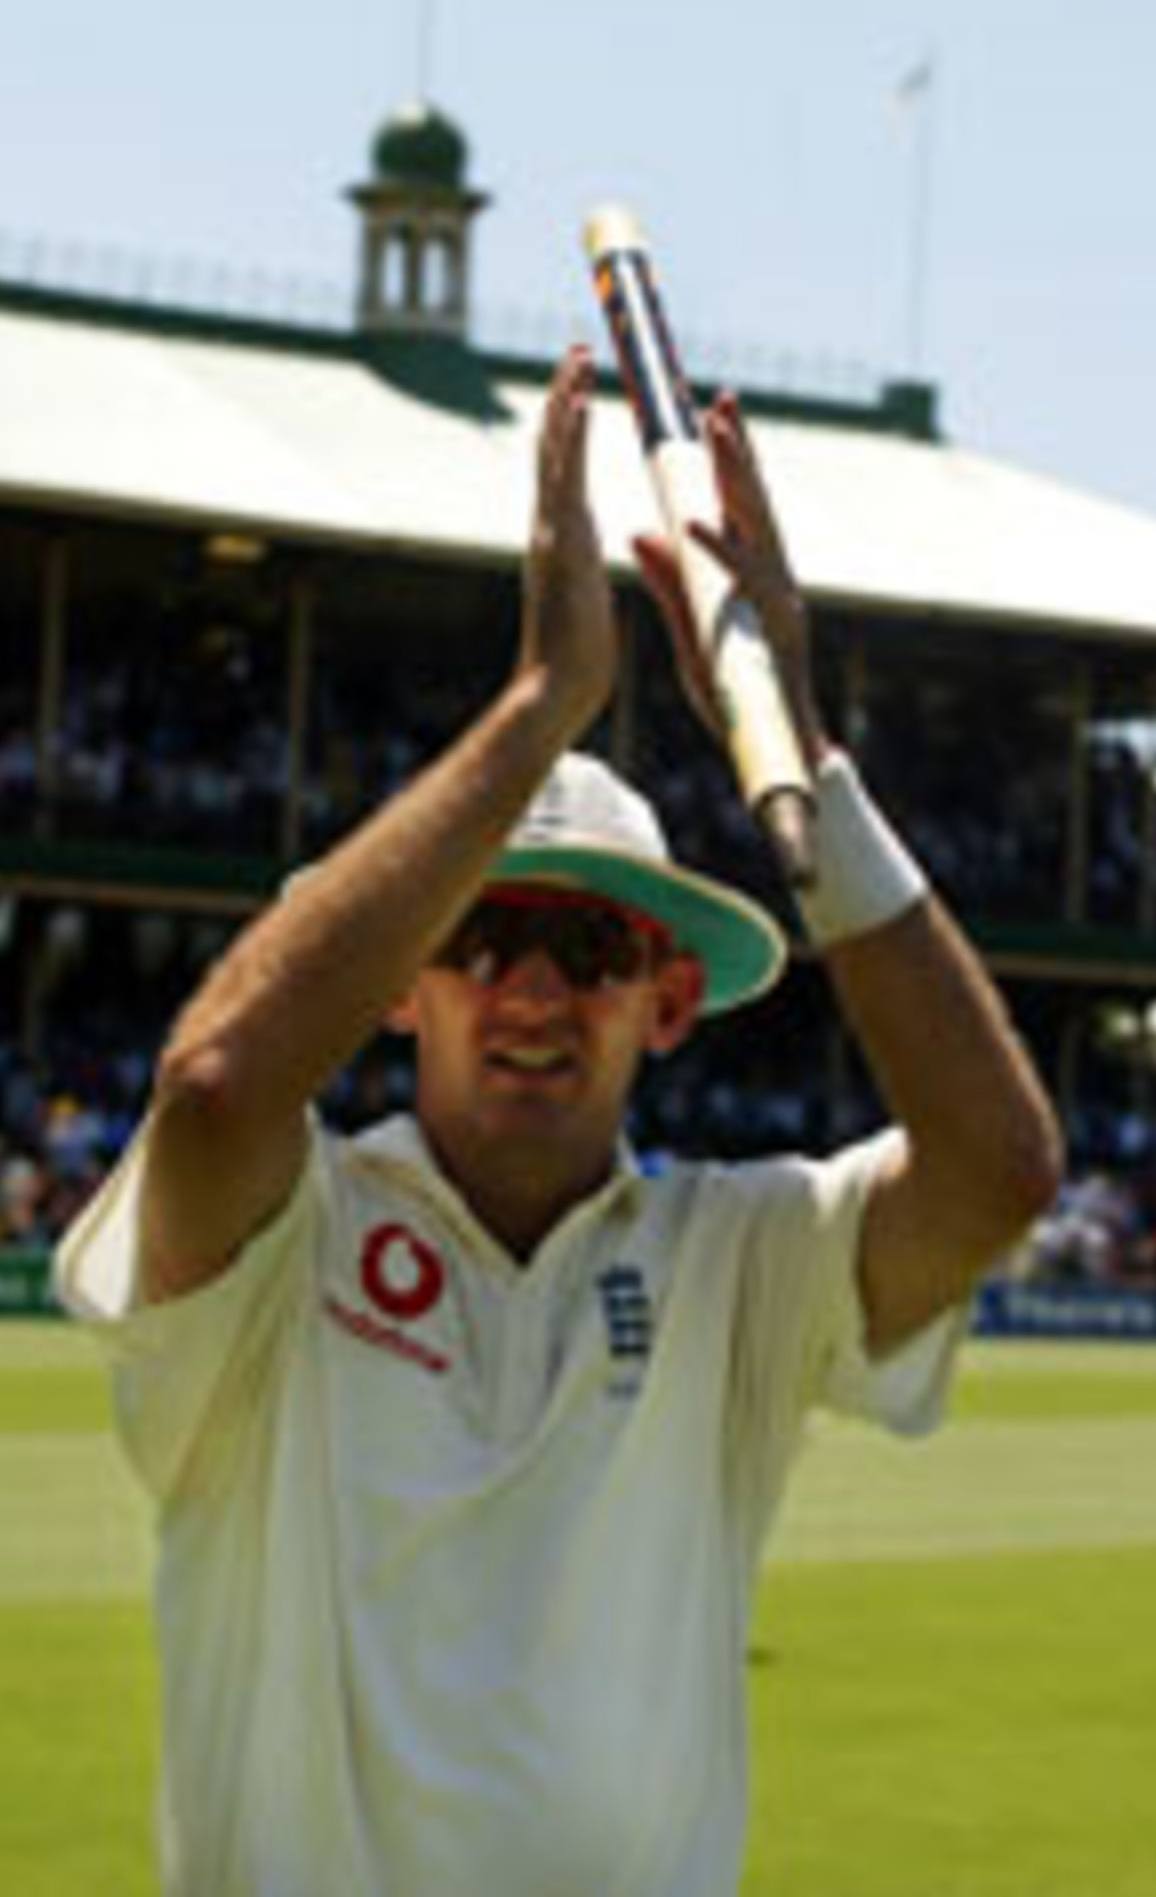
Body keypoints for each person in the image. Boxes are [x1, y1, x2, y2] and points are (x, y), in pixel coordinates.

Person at [56, 346, 1061, 1897]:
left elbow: (999, 1169)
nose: (532, 984)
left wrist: (801, 739)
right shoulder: (283, 1235)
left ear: (665, 1001)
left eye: (592, 951)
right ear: (402, 978)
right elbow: (213, 1092)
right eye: (477, 930)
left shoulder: (742, 1257)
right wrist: (540, 708)